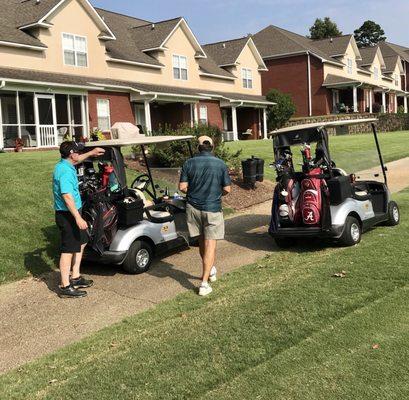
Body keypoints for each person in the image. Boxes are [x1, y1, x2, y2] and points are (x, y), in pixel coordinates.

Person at [179, 135, 231, 296]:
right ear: (213, 147)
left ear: (198, 147)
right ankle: (203, 284)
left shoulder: (189, 163)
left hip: (193, 208)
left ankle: (210, 270)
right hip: (212, 208)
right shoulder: (220, 164)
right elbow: (227, 189)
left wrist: (194, 192)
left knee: (202, 241)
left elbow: (182, 187)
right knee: (210, 244)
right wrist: (217, 193)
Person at [53, 141, 105, 298]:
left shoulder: (67, 164)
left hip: (74, 211)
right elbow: (67, 196)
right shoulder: (65, 172)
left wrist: (91, 153)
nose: (79, 154)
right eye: (77, 152)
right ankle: (65, 286)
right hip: (67, 214)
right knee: (68, 250)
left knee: (81, 242)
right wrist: (77, 218)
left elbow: (78, 158)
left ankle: (75, 277)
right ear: (71, 154)